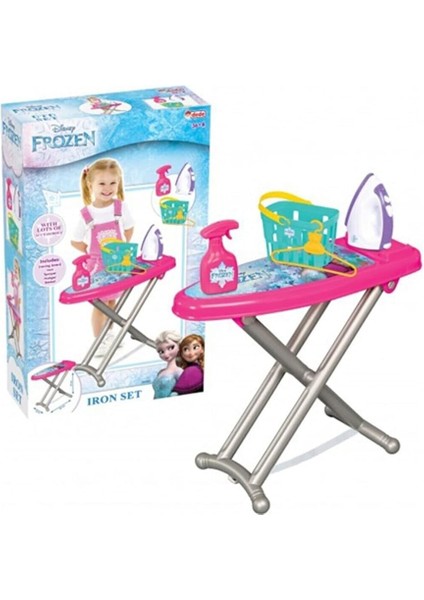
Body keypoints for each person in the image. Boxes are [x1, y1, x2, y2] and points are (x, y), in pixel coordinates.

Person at [71, 158, 135, 355]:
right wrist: (90, 253)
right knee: (100, 303)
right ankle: (98, 341)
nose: (108, 188)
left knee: (112, 300)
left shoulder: (120, 207)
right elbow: (75, 241)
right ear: (90, 185)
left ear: (118, 183)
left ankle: (109, 333)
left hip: (118, 262)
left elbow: (129, 228)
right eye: (102, 183)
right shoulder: (87, 214)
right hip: (98, 266)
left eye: (112, 183)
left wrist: (121, 247)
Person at [152, 330, 183, 399]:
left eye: (171, 348)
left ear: (179, 347)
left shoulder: (178, 371)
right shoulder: (160, 372)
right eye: (161, 351)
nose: (166, 354)